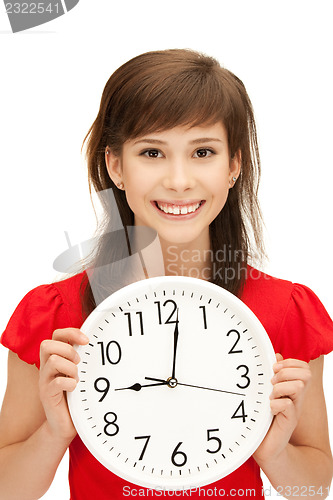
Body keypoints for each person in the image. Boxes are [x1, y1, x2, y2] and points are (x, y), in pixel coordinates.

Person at [0, 49, 332, 500]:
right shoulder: (52, 315)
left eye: (203, 152)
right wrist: (57, 431)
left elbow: (312, 488)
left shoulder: (287, 311)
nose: (179, 180)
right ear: (115, 165)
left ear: (233, 166)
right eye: (152, 151)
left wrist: (274, 454)